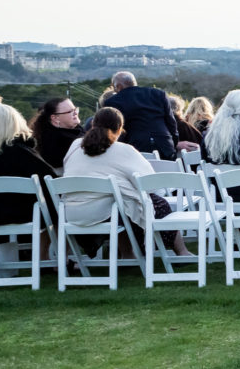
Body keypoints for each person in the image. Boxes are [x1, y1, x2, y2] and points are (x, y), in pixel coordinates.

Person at [62, 107, 191, 257]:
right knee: (154, 203)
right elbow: (149, 183)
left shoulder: (75, 146)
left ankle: (127, 253)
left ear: (92, 125)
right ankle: (182, 252)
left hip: (72, 213)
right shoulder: (124, 149)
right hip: (103, 213)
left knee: (122, 201)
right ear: (120, 129)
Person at [0, 103, 56, 236]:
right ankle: (47, 255)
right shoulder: (22, 152)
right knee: (56, 208)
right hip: (25, 216)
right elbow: (51, 182)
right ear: (16, 123)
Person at [105, 71, 179, 160]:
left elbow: (114, 131)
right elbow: (171, 123)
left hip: (135, 149)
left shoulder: (112, 102)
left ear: (118, 86)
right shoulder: (158, 94)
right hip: (165, 146)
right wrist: (172, 143)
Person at [31, 97, 84, 172]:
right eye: (70, 112)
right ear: (55, 118)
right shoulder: (59, 140)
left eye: (75, 109)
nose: (75, 113)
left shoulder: (75, 131)